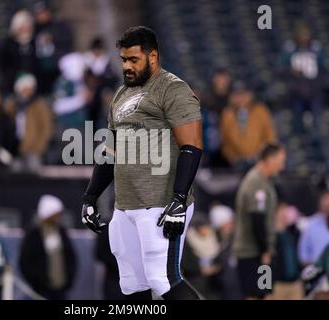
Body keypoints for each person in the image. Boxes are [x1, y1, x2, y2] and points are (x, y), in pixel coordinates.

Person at [81, 26, 203, 300]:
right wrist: (90, 196)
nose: (126, 66)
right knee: (132, 285)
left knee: (164, 281)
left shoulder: (173, 88)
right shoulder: (121, 94)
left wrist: (179, 199)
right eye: (123, 59)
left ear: (152, 57)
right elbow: (110, 151)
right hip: (125, 206)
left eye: (133, 59)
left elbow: (192, 145)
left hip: (160, 202)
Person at [233, 143, 287, 299]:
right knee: (257, 295)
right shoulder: (255, 182)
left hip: (259, 252)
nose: (282, 167)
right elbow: (257, 219)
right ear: (269, 159)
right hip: (253, 254)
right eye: (281, 161)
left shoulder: (264, 181)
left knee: (264, 294)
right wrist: (265, 251)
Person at [19, 195, 76, 300]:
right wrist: (37, 282)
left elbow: (70, 257)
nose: (58, 217)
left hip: (61, 290)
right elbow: (25, 261)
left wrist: (69, 280)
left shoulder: (61, 232)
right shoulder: (34, 234)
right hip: (41, 290)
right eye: (56, 214)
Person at [219, 81, 276, 170]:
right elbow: (224, 141)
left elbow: (270, 137)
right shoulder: (227, 114)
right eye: (236, 94)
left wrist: (261, 155)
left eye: (243, 94)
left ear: (250, 95)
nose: (240, 98)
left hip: (259, 161)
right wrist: (232, 158)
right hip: (236, 164)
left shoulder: (260, 111)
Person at [5, 73, 53, 171]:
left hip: (33, 150)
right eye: (25, 88)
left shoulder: (39, 105)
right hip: (16, 149)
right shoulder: (13, 105)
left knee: (34, 177)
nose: (28, 91)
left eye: (30, 88)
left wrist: (39, 148)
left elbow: (46, 127)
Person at [33, 1, 74, 96]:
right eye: (39, 13)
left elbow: (68, 41)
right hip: (42, 72)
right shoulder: (35, 29)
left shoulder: (59, 25)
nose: (42, 15)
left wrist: (52, 38)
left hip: (59, 66)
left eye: (44, 12)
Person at [0, 10, 37, 95]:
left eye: (27, 26)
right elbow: (2, 64)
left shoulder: (34, 42)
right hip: (12, 85)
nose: (26, 29)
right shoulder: (7, 45)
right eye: (23, 27)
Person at [209, 204, 243, 300]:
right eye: (228, 223)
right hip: (222, 289)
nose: (231, 225)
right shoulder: (216, 241)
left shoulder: (235, 241)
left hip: (235, 288)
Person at [271, 202, 304, 300]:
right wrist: (265, 288)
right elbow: (264, 264)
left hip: (296, 284)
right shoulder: (268, 237)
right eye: (282, 210)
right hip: (277, 285)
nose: (286, 213)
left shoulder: (294, 233)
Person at [83, 37, 119, 129]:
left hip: (104, 94)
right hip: (91, 97)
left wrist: (109, 91)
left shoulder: (107, 63)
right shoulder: (87, 63)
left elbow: (114, 80)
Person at [298, 190, 329, 266]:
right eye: (327, 205)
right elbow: (303, 257)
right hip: (317, 272)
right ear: (320, 204)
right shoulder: (310, 225)